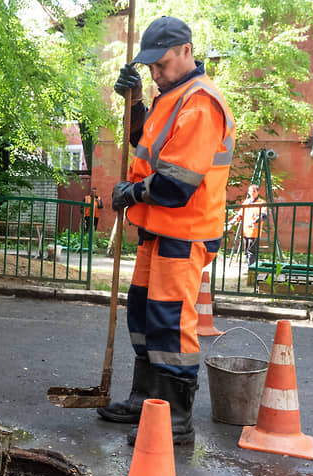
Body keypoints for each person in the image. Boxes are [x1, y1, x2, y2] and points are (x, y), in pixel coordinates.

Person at [97, 16, 236, 445]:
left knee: (170, 323)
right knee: (143, 314)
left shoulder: (200, 103)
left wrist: (131, 193)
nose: (155, 72)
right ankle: (147, 399)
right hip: (159, 231)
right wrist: (136, 103)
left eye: (161, 63)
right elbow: (150, 145)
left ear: (186, 51)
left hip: (184, 230)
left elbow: (175, 184)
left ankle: (175, 418)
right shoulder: (171, 98)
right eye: (150, 66)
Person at [227, 184, 267, 267]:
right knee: (246, 251)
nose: (252, 193)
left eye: (254, 191)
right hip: (245, 231)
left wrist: (256, 220)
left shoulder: (261, 202)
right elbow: (240, 213)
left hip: (254, 232)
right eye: (250, 191)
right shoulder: (246, 202)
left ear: (257, 192)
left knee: (251, 251)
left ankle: (251, 269)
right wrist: (234, 220)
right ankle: (250, 267)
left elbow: (263, 215)